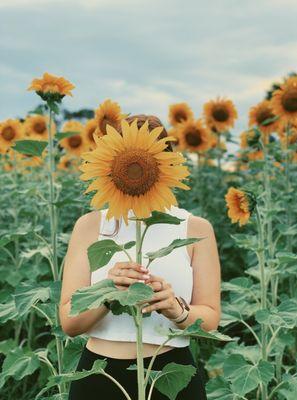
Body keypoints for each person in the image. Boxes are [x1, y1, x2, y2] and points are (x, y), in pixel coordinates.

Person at [59, 115, 221, 400]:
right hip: (100, 379)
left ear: (165, 164)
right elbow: (69, 323)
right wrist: (109, 294)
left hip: (172, 375)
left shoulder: (195, 229)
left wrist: (176, 309)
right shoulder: (90, 226)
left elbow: (210, 320)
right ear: (109, 163)